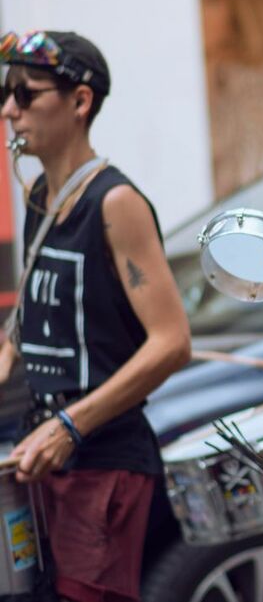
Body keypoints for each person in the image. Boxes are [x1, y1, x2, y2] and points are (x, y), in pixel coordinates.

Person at [0, 30, 190, 601]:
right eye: (6, 93)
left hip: (104, 456)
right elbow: (26, 328)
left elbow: (172, 343)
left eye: (26, 94)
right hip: (43, 451)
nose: (9, 109)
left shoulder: (115, 202)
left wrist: (71, 424)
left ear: (79, 102)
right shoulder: (37, 195)